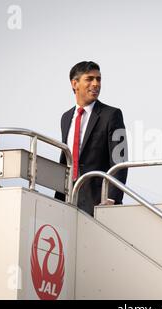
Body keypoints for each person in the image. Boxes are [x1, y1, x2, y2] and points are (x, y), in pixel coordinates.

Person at [54, 61, 128, 215]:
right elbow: (66, 158)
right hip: (68, 197)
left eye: (98, 79)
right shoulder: (66, 118)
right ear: (75, 84)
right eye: (89, 79)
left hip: (98, 200)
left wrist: (112, 198)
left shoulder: (112, 115)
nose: (95, 84)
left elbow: (119, 160)